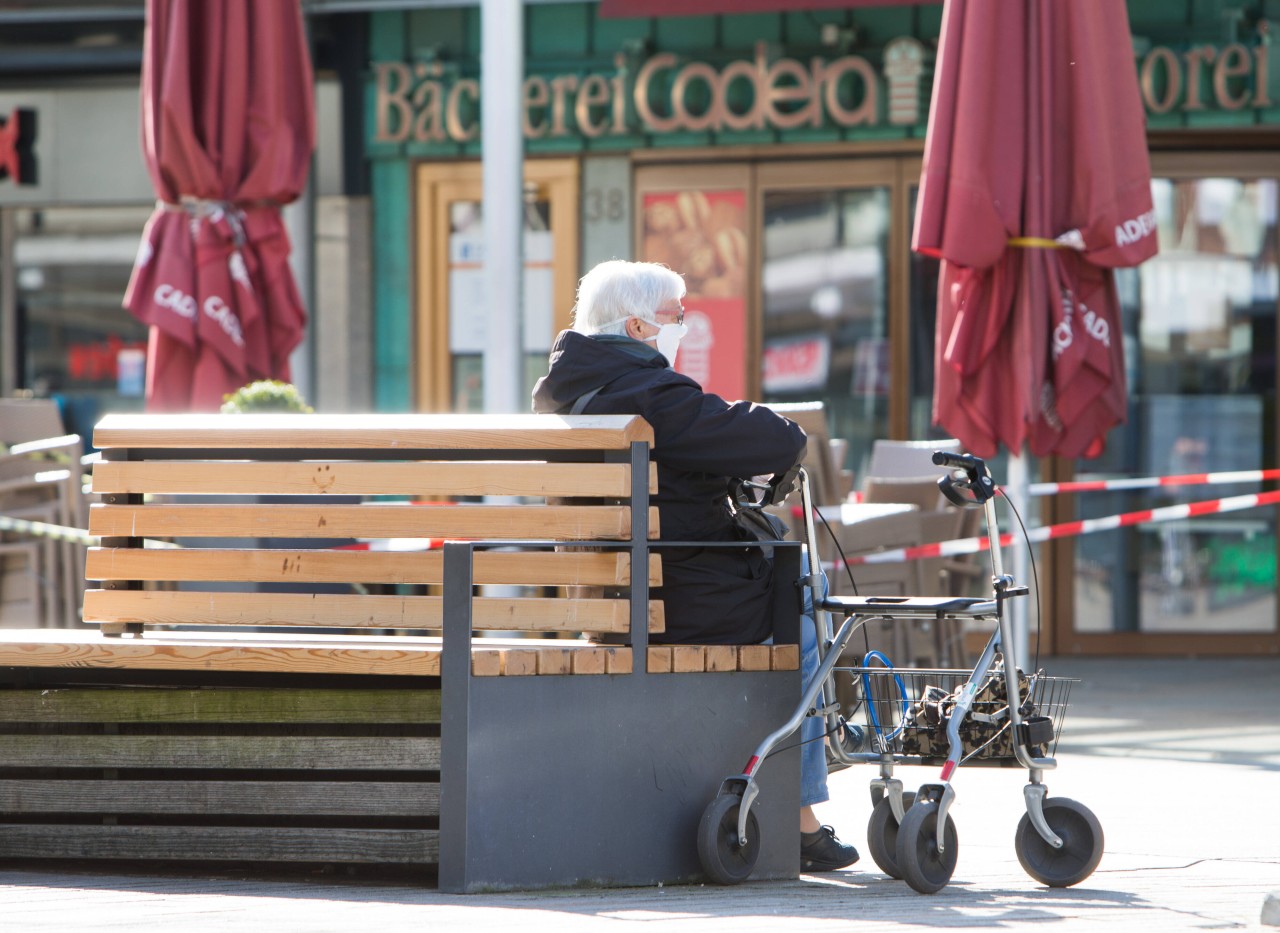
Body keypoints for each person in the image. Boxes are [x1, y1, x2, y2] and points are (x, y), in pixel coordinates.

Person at [532, 259, 858, 873]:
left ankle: (784, 785)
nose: (683, 327)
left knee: (793, 604)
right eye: (676, 318)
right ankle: (800, 815)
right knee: (806, 617)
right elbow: (776, 440)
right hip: (683, 598)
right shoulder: (650, 393)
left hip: (611, 597)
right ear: (635, 326)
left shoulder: (568, 394)